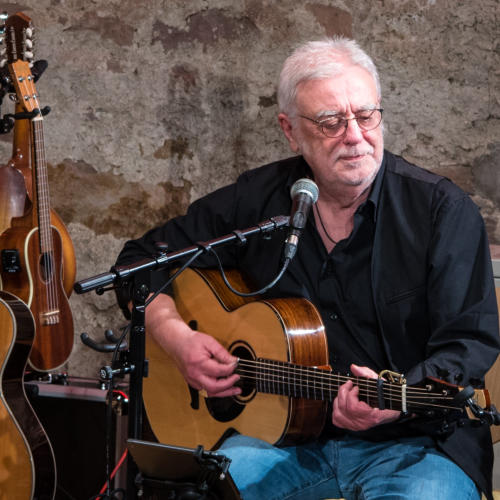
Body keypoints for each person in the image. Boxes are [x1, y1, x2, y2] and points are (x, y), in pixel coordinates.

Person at [115, 37, 500, 500]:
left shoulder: (441, 211)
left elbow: (467, 346)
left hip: (418, 444)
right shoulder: (257, 200)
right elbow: (138, 263)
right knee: (201, 491)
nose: (354, 136)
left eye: (366, 116)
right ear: (291, 131)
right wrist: (178, 339)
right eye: (330, 122)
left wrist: (395, 401)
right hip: (282, 443)